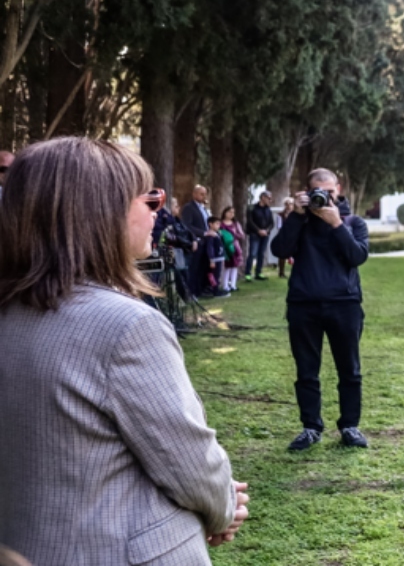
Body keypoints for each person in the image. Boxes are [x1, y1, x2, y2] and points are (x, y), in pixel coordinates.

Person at [0, 137, 248, 564]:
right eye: (149, 200)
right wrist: (223, 506)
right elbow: (190, 466)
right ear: (101, 211)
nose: (158, 212)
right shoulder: (127, 326)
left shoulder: (10, 312)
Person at [271, 168, 371, 451]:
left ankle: (350, 426)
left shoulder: (353, 222)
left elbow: (357, 256)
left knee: (349, 369)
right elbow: (280, 249)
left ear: (338, 189)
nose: (324, 197)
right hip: (304, 305)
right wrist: (297, 216)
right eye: (318, 192)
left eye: (329, 192)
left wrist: (337, 224)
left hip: (345, 304)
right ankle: (310, 427)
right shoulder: (299, 220)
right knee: (306, 371)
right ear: (306, 191)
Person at [246, 191, 275, 281]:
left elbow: (271, 223)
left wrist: (267, 230)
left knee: (261, 254)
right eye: (268, 198)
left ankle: (258, 272)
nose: (270, 200)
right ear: (263, 197)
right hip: (255, 234)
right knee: (252, 253)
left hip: (265, 234)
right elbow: (250, 221)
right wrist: (258, 230)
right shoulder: (252, 208)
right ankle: (248, 273)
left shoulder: (268, 210)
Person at [219, 207, 246, 292]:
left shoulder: (235, 224)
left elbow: (242, 235)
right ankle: (225, 285)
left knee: (234, 266)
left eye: (233, 212)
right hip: (225, 248)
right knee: (226, 267)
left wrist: (234, 236)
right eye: (229, 212)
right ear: (225, 212)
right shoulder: (220, 224)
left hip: (234, 247)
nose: (231, 214)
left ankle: (233, 285)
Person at [277, 196, 296, 278]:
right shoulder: (280, 215)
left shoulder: (296, 215)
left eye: (290, 204)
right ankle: (281, 272)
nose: (289, 206)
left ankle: (295, 272)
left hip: (294, 236)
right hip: (284, 236)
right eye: (287, 204)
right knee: (282, 255)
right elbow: (279, 226)